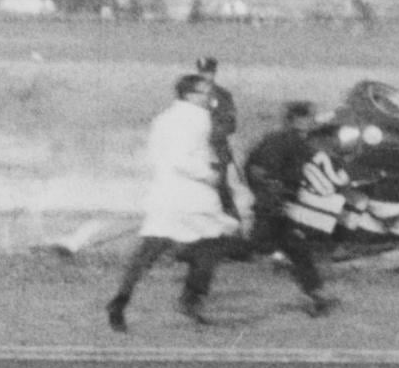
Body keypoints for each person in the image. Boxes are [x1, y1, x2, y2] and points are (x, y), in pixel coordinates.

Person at [106, 73, 239, 332]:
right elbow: (183, 158)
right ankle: (191, 298)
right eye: (204, 93)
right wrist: (209, 174)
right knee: (218, 240)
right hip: (192, 196)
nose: (209, 97)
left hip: (165, 194)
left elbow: (158, 155)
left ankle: (120, 300)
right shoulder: (198, 119)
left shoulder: (163, 118)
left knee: (150, 250)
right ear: (190, 95)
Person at [244, 101, 338, 317]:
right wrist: (275, 196)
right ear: (294, 120)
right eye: (304, 118)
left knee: (297, 249)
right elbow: (260, 171)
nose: (309, 121)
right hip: (273, 206)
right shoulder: (281, 141)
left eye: (309, 118)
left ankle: (315, 295)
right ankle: (207, 252)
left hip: (280, 205)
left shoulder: (297, 142)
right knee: (253, 247)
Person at [195, 56, 239, 218]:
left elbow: (231, 124)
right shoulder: (192, 95)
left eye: (209, 72)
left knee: (221, 187)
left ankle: (233, 221)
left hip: (217, 148)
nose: (206, 76)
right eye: (202, 72)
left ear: (214, 72)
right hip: (198, 150)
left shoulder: (223, 95)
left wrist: (213, 134)